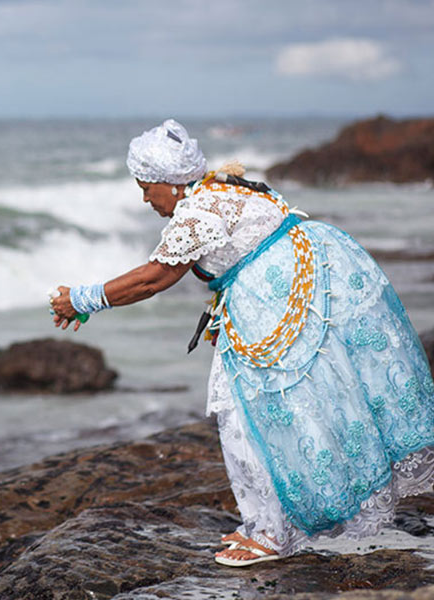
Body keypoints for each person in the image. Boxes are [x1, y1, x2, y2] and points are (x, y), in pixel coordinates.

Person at [49, 118, 434, 567]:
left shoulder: (196, 211)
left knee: (251, 414)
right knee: (310, 403)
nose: (145, 199)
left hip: (280, 294)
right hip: (310, 275)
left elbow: (154, 278)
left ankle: (273, 532)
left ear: (168, 183)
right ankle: (277, 522)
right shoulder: (221, 189)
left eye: (145, 188)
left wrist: (82, 299)